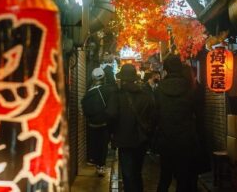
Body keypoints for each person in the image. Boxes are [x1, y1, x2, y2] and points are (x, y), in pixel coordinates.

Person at [154, 55, 200, 192]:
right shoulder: (190, 87)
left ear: (166, 69)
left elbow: (155, 115)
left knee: (165, 177)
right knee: (183, 177)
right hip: (185, 139)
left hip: (165, 138)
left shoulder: (158, 89)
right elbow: (197, 114)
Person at [106, 64, 154, 192]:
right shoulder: (145, 95)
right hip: (142, 139)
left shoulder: (117, 96)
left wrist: (112, 132)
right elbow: (153, 115)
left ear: (122, 79)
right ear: (135, 79)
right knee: (137, 172)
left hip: (124, 140)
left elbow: (111, 114)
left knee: (127, 174)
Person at [81, 67, 114, 176]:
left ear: (93, 78)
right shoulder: (108, 91)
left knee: (94, 143)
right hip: (104, 124)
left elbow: (85, 109)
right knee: (103, 144)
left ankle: (95, 162)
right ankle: (101, 165)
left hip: (92, 124)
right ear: (104, 77)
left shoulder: (88, 93)